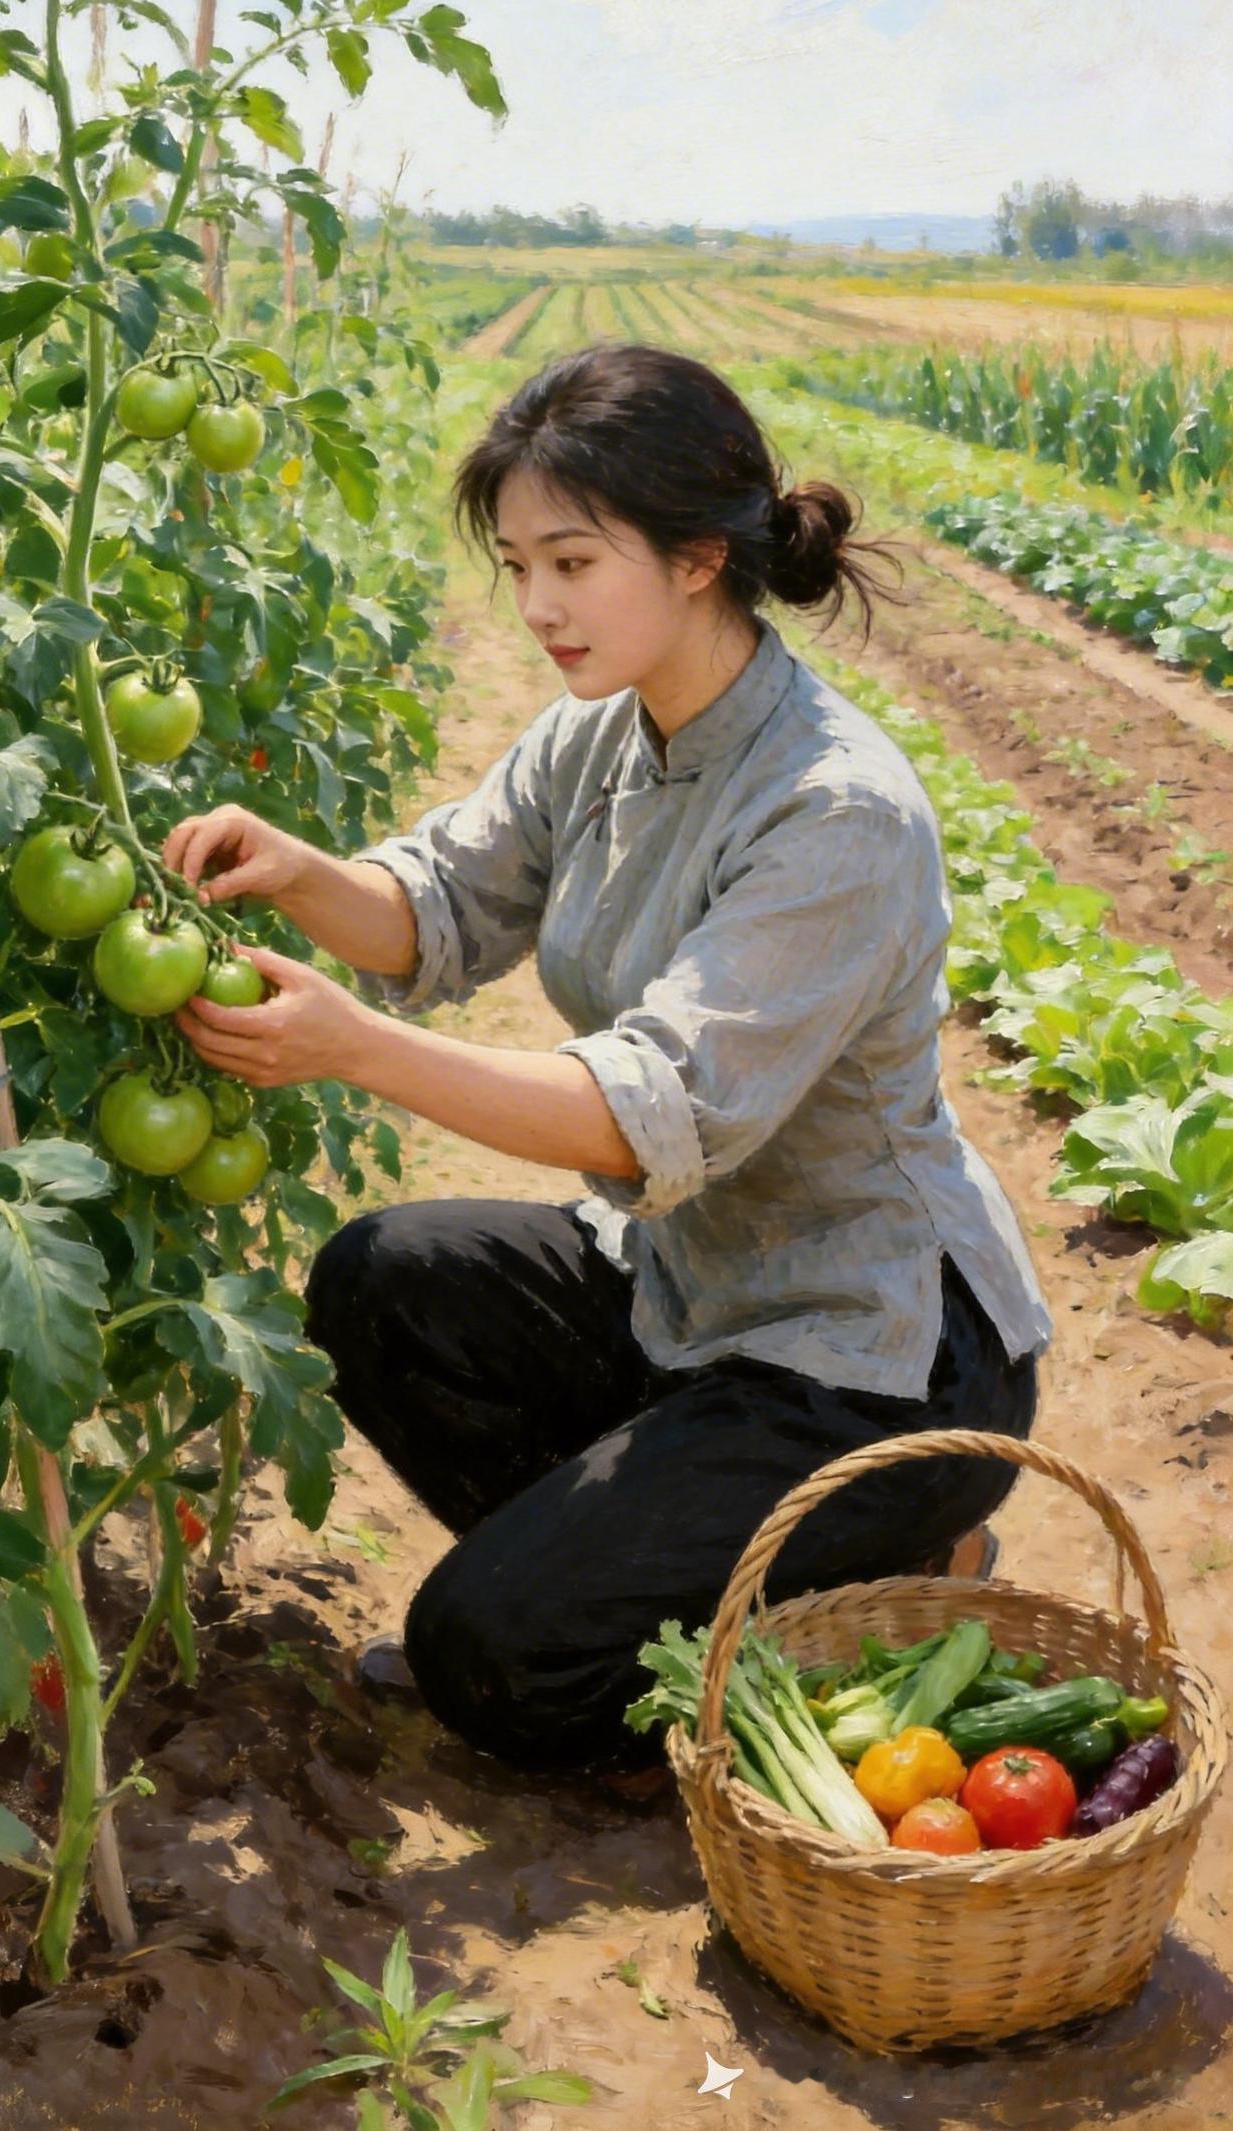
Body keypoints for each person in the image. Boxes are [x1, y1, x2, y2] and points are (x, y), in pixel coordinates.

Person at [163, 343, 1052, 1786]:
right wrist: (297, 872)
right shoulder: (600, 735)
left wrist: (354, 1048)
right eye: (520, 566)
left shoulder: (836, 812)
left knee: (486, 1658)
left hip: (873, 1357)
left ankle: (872, 1560)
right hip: (689, 1285)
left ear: (701, 557)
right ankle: (648, 1594)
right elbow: (438, 906)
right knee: (384, 1279)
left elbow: (645, 1116)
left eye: (573, 563)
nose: (538, 606)